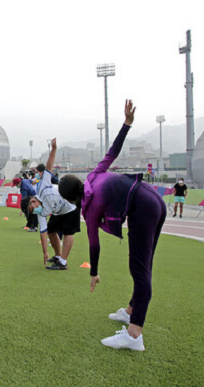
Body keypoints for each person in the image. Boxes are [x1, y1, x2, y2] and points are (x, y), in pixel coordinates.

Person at [58, 100, 166, 351]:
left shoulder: (88, 208)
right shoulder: (93, 175)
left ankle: (134, 335)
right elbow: (112, 153)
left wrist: (93, 273)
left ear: (70, 199)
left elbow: (94, 245)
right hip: (153, 197)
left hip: (142, 208)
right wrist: (127, 124)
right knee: (143, 265)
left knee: (139, 269)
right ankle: (131, 311)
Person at [21, 138, 80, 271]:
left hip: (71, 205)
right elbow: (43, 233)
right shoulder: (41, 213)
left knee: (68, 232)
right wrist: (45, 253)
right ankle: (58, 256)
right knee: (51, 231)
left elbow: (48, 167)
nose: (35, 212)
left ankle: (63, 262)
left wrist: (53, 149)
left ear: (33, 201)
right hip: (58, 212)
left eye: (32, 209)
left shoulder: (43, 187)